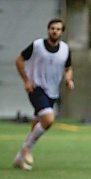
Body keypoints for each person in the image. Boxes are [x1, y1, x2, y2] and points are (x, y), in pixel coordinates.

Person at [13, 18, 74, 170]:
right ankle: (26, 150)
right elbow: (19, 60)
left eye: (58, 29)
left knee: (36, 125)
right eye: (52, 28)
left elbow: (68, 68)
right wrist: (26, 80)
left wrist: (69, 79)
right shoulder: (37, 45)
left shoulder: (65, 49)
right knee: (48, 119)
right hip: (36, 88)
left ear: (62, 32)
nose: (55, 31)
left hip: (52, 91)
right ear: (48, 29)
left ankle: (20, 158)